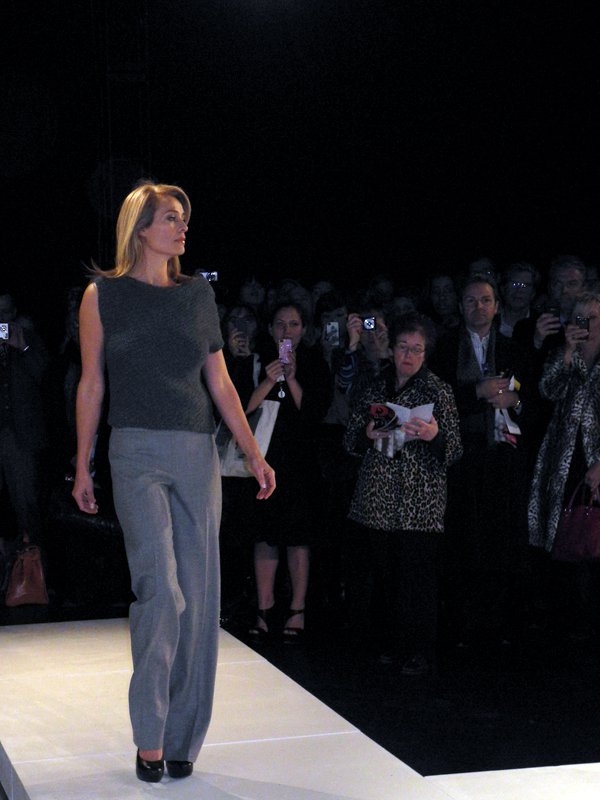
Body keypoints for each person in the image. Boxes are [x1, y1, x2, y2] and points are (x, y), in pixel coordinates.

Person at [71, 180, 275, 784]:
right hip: (134, 450)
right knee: (160, 590)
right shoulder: (102, 295)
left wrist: (253, 453)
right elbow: (91, 383)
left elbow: (220, 382)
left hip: (195, 452)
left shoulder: (197, 295)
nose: (182, 226)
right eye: (170, 217)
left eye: (184, 218)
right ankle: (151, 736)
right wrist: (81, 463)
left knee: (200, 595)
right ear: (140, 228)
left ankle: (184, 737)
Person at [344, 312, 462, 674]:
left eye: (416, 349)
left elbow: (455, 449)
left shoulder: (438, 390)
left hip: (418, 503)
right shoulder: (375, 387)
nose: (408, 355)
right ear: (391, 349)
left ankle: (418, 651)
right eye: (402, 347)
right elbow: (349, 441)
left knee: (417, 580)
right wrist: (367, 435)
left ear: (426, 353)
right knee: (382, 577)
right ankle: (386, 645)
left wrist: (434, 436)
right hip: (377, 499)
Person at [246, 301, 331, 640]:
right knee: (265, 533)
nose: (287, 330)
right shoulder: (257, 359)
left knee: (298, 535)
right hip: (265, 457)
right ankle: (264, 608)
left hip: (301, 461)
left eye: (294, 324)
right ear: (270, 329)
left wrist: (292, 379)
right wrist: (269, 380)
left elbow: (315, 413)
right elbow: (242, 409)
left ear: (304, 330)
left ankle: (297, 609)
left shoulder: (314, 361)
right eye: (280, 324)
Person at [528, 292, 600, 637]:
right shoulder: (564, 354)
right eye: (579, 318)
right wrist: (568, 352)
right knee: (566, 538)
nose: (585, 325)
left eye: (593, 318)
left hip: (596, 459)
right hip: (563, 460)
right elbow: (547, 390)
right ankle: (567, 624)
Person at [0, 291, 50, 551]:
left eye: (6, 312)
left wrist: (23, 347)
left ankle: (33, 560)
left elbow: (44, 374)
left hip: (20, 435)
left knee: (27, 500)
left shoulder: (27, 336)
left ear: (15, 312)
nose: (1, 319)